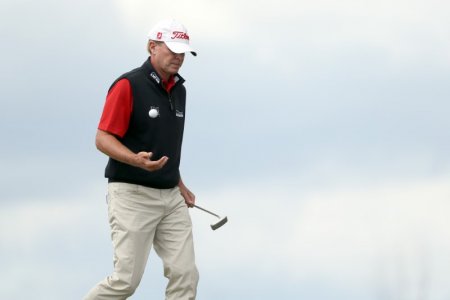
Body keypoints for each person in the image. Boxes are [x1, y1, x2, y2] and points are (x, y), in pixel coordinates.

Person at [84, 19, 199, 300]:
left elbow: (164, 144)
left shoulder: (180, 90)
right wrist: (136, 160)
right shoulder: (128, 85)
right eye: (172, 50)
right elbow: (103, 139)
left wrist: (178, 181)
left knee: (185, 274)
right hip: (132, 193)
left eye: (183, 52)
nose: (178, 57)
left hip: (170, 196)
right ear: (152, 47)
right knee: (126, 281)